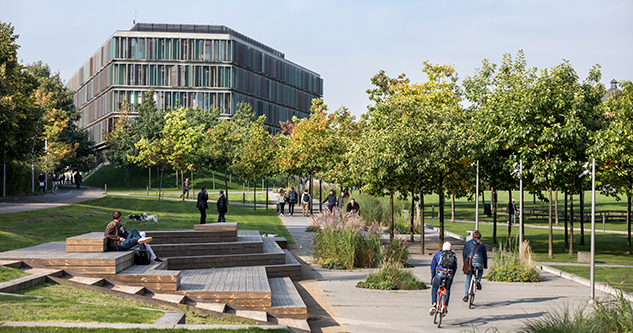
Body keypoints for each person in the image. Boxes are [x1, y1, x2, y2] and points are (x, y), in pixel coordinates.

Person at [430, 241, 458, 316]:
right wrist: (452, 276)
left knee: (434, 288)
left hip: (440, 273)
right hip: (449, 274)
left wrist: (433, 275)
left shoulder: (438, 254)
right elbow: (455, 267)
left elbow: (433, 266)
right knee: (447, 289)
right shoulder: (453, 255)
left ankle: (434, 304)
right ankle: (445, 306)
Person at [463, 230, 488, 302]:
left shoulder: (467, 243)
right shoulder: (482, 245)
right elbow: (484, 256)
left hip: (470, 263)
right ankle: (478, 281)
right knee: (480, 269)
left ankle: (465, 295)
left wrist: (465, 263)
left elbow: (464, 254)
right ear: (480, 237)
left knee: (468, 278)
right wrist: (485, 265)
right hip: (479, 263)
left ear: (473, 236)